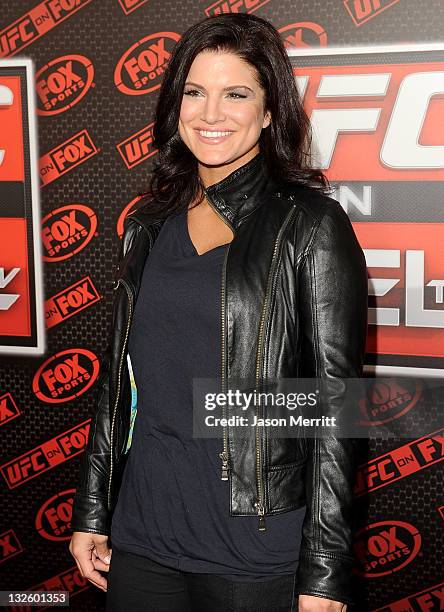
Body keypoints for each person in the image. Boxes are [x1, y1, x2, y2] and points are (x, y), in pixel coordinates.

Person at [69, 12, 368, 612]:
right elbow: (120, 388)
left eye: (236, 94)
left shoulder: (309, 225)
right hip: (143, 534)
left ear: (269, 111)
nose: (210, 114)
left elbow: (336, 406)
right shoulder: (147, 227)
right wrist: (95, 508)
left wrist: (325, 572)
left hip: (252, 543)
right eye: (195, 93)